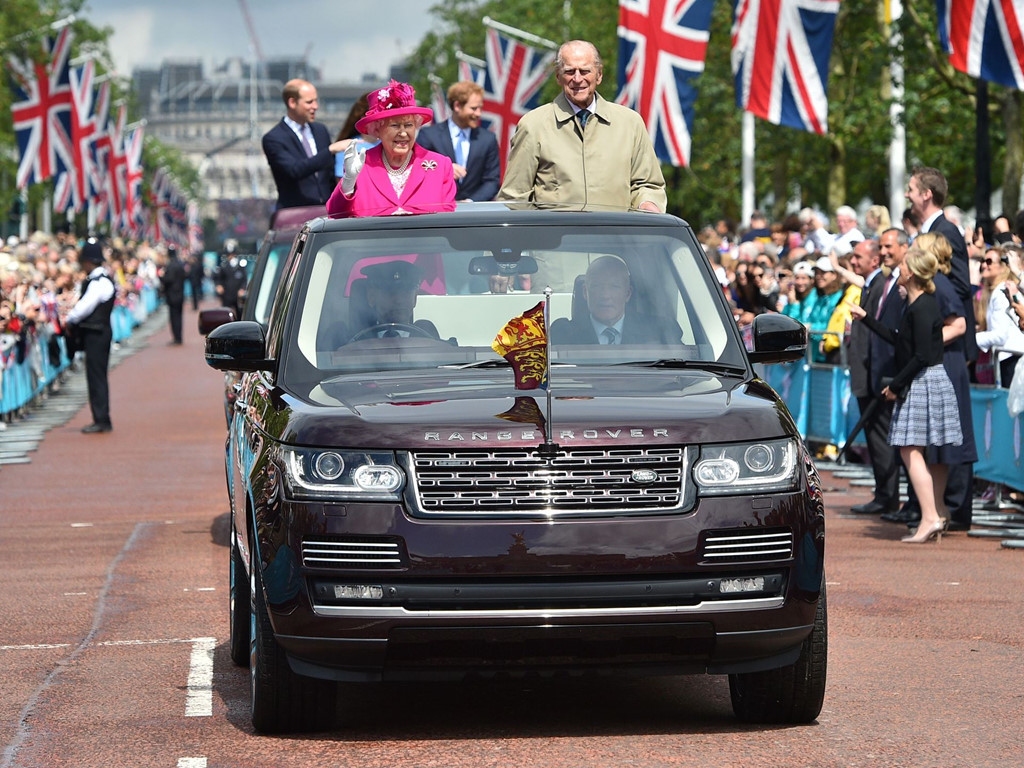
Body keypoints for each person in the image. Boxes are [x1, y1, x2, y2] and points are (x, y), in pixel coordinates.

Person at [849, 248, 963, 544]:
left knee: (909, 448)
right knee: (929, 450)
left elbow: (922, 354)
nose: (897, 269)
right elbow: (904, 342)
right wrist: (867, 319)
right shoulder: (917, 305)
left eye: (902, 266)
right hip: (925, 378)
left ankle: (930, 516)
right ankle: (937, 512)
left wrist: (896, 385)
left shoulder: (922, 306)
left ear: (911, 272)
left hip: (923, 380)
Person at [498, 40, 666, 212]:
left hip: (615, 235)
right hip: (556, 237)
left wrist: (648, 204)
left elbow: (648, 184)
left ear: (599, 75)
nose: (577, 79)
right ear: (558, 76)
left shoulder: (631, 124)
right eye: (569, 71)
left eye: (585, 71)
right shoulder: (533, 125)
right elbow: (515, 198)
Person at [909, 232, 977, 532]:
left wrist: (927, 343)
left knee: (935, 442)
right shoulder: (934, 285)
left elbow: (958, 324)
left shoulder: (943, 285)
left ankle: (935, 513)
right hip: (941, 363)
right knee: (935, 445)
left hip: (946, 365)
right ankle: (937, 510)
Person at [327, 80, 456, 217]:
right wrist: (347, 184)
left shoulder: (441, 165)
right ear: (377, 130)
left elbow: (448, 222)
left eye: (408, 125)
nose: (403, 133)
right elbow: (335, 215)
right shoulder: (361, 166)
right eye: (395, 125)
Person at [844, 239, 900, 516]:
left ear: (874, 260)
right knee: (875, 438)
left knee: (881, 438)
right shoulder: (870, 285)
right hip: (866, 376)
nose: (853, 262)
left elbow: (879, 335)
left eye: (857, 257)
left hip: (875, 377)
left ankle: (888, 496)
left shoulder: (880, 287)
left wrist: (878, 379)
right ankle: (884, 494)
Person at [906, 166, 977, 362]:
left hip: (949, 350)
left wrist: (919, 289)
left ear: (926, 194)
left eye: (910, 190)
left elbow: (961, 285)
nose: (906, 194)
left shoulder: (946, 232)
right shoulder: (928, 233)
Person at [550, 256, 680, 344]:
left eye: (614, 287)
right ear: (585, 292)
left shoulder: (658, 332)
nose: (605, 295)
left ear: (628, 293)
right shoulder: (562, 334)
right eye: (597, 286)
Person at [262, 79, 348, 212]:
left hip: (325, 212)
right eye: (309, 102)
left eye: (316, 100)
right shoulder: (274, 138)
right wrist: (330, 150)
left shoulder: (320, 131)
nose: (316, 106)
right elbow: (294, 170)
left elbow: (329, 174)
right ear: (292, 102)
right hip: (294, 214)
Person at [416, 81, 501, 201]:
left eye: (480, 108)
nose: (478, 113)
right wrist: (443, 169)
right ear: (457, 106)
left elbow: (492, 181)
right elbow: (416, 170)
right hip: (438, 212)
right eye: (474, 108)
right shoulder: (429, 136)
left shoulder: (488, 139)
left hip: (476, 213)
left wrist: (470, 202)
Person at [65, 239, 115, 434]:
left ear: (88, 261)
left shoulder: (98, 282)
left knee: (96, 377)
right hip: (97, 332)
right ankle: (100, 417)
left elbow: (84, 307)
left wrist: (70, 319)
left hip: (97, 333)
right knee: (96, 376)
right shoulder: (99, 279)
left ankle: (101, 419)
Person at [976, 245, 1024, 387]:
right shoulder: (996, 291)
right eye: (983, 261)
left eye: (989, 261)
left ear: (1003, 267)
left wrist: (970, 339)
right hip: (1009, 359)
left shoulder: (1002, 291)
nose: (984, 265)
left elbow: (1000, 335)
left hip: (1011, 359)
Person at [159, 244, 186, 345]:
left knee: (174, 317)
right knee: (179, 316)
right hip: (180, 293)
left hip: (172, 294)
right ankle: (179, 336)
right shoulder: (180, 264)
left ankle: (177, 338)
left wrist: (161, 277)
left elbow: (168, 279)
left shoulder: (170, 265)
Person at [213, 241, 248, 319]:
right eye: (229, 255)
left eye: (232, 254)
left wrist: (242, 289)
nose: (231, 257)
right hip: (227, 294)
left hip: (237, 295)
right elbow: (218, 278)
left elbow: (244, 280)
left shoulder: (240, 267)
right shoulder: (224, 267)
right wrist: (219, 286)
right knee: (225, 314)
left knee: (240, 314)